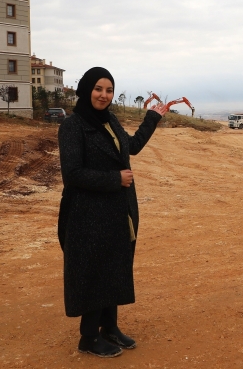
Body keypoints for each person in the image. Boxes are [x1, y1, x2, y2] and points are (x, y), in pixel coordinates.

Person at [57, 67, 168, 358]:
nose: (103, 95)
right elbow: (72, 174)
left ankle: (110, 329)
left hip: (118, 210)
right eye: (98, 89)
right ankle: (88, 337)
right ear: (85, 90)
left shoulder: (110, 121)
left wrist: (152, 117)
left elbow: (131, 146)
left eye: (108, 90)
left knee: (113, 268)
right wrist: (114, 179)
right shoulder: (73, 126)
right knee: (94, 272)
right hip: (88, 214)